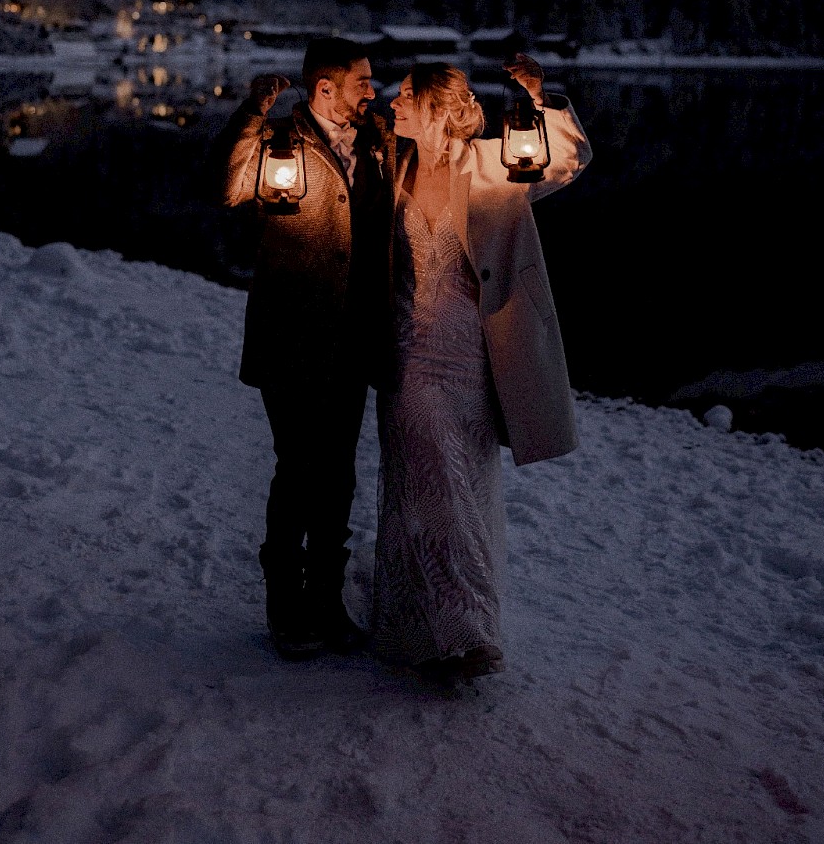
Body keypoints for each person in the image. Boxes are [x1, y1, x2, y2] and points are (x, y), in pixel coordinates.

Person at [373, 54, 591, 685]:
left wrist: (539, 98)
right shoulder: (393, 164)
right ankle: (459, 631)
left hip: (474, 353)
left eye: (406, 98)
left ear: (437, 108)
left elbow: (568, 161)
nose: (394, 106)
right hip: (409, 353)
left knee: (462, 483)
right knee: (428, 482)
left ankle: (448, 623)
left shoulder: (493, 162)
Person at [219, 37, 396, 660]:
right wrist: (249, 117)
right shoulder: (278, 139)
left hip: (352, 339)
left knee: (340, 473)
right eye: (362, 80)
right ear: (325, 87)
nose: (373, 89)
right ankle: (285, 607)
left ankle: (327, 598)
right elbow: (229, 188)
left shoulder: (377, 137)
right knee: (298, 468)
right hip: (291, 336)